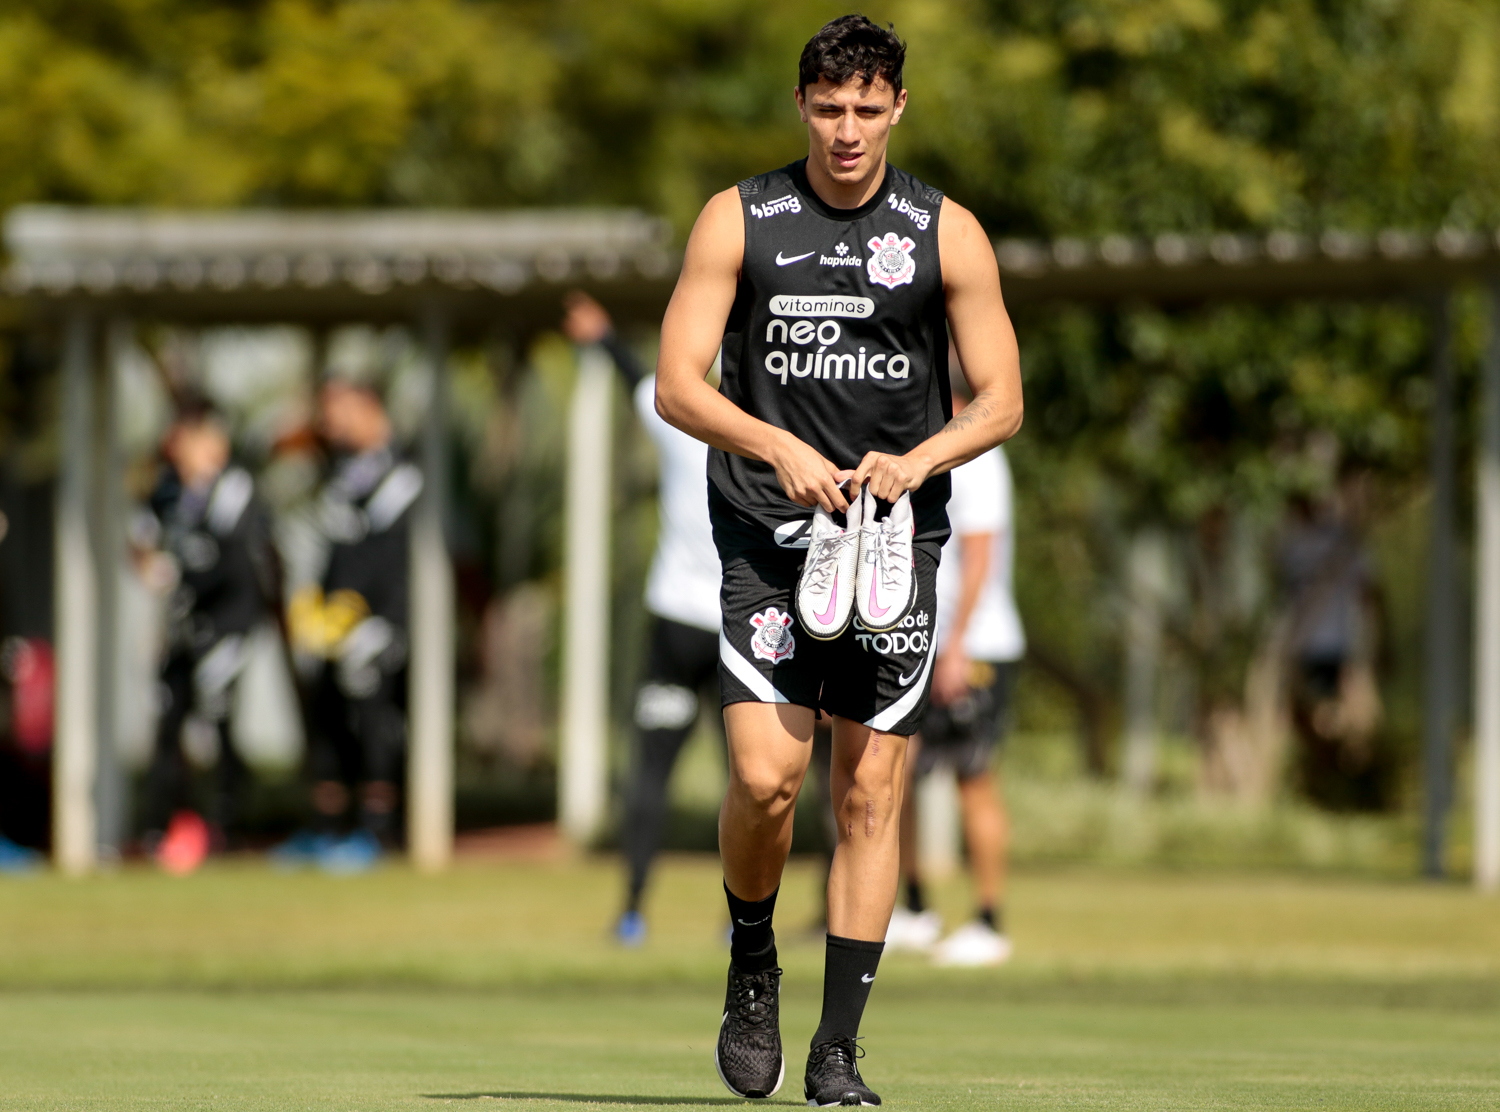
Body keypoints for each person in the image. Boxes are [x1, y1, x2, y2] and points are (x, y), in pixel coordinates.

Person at [653, 15, 1023, 1105]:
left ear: (898, 107)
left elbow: (1001, 398)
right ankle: (754, 958)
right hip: (766, 536)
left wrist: (918, 460)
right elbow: (679, 381)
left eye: (869, 108)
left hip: (894, 546)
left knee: (872, 788)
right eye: (828, 108)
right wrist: (773, 443)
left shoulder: (947, 231)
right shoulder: (741, 218)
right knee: (767, 779)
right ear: (801, 105)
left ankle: (837, 1051)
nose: (848, 129)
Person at [560, 291, 725, 947]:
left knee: (650, 770)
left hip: (678, 623)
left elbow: (639, 377)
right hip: (741, 625)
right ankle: (741, 926)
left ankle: (632, 911)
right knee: (748, 783)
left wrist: (601, 336)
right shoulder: (773, 433)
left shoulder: (683, 419)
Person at [886, 365, 1025, 967]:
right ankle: (915, 906)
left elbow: (980, 555)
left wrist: (958, 645)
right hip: (922, 639)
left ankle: (989, 919)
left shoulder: (979, 453)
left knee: (974, 779)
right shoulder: (927, 448)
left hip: (975, 649)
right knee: (897, 773)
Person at [280, 377, 421, 873]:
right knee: (328, 722)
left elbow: (397, 559)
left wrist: (386, 623)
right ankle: (328, 830)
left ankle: (377, 832)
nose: (330, 423)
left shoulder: (404, 471)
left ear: (369, 408)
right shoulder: (340, 471)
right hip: (333, 622)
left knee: (376, 724)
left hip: (381, 625)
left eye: (339, 411)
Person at [137, 399, 278, 870]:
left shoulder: (234, 488)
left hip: (225, 626)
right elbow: (141, 544)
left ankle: (225, 826)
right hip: (182, 626)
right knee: (169, 723)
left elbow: (231, 562)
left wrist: (179, 569)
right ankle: (165, 826)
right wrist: (150, 566)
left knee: (219, 723)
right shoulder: (165, 490)